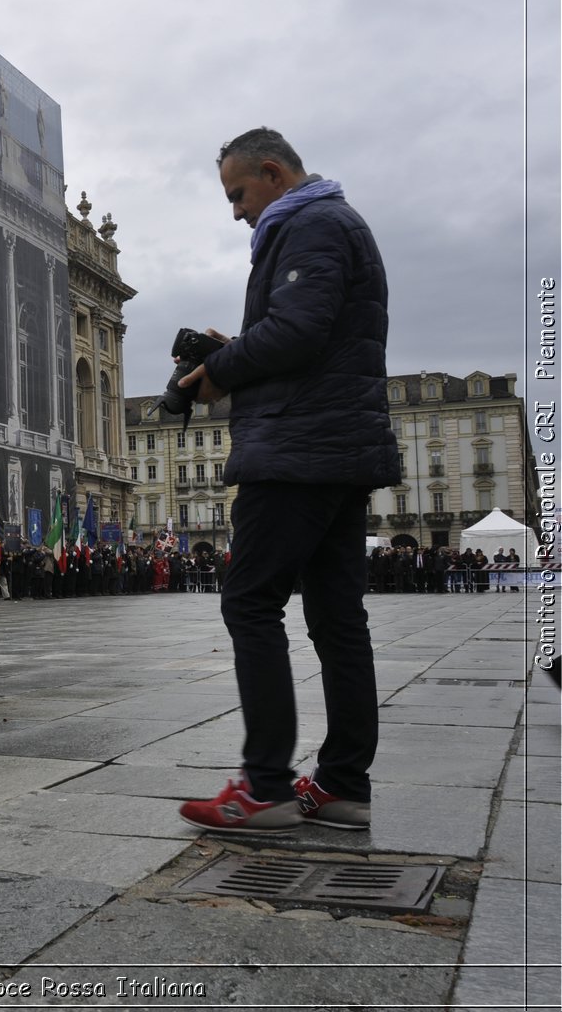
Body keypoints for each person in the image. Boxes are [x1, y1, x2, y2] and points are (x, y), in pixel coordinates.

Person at [177, 127, 397, 834]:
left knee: (249, 601)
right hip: (335, 443)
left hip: (299, 447)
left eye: (238, 193)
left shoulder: (311, 223)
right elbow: (311, 333)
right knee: (337, 617)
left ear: (273, 173)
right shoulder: (329, 224)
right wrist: (236, 350)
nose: (236, 210)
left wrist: (222, 367)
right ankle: (341, 785)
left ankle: (266, 785)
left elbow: (297, 333)